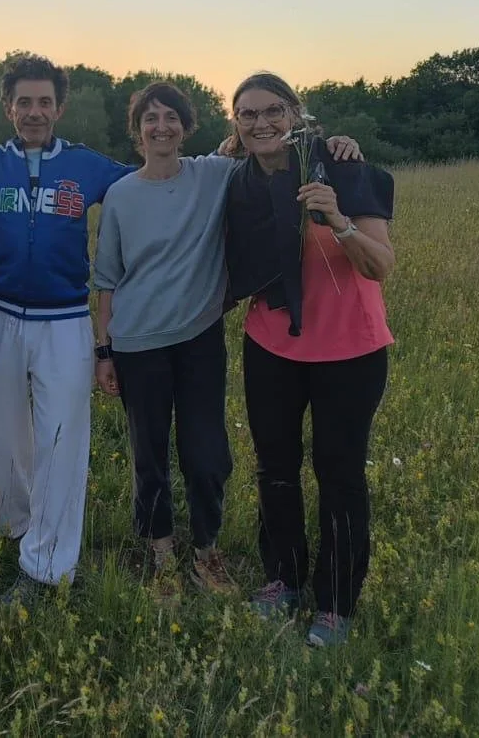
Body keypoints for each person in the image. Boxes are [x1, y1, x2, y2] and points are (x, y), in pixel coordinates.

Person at [93, 83, 365, 605]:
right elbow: (106, 280)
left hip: (198, 339)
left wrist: (338, 143)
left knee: (207, 453)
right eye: (150, 119)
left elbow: (273, 143)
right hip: (137, 345)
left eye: (171, 118)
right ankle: (162, 555)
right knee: (149, 454)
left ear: (186, 127)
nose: (161, 127)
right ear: (137, 130)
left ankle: (206, 553)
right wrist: (104, 351)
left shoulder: (212, 173)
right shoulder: (123, 195)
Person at [223, 71, 396, 648]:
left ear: (296, 114)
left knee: (340, 475)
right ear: (236, 124)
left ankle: (337, 603)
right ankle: (284, 578)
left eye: (272, 111)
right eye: (247, 115)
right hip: (272, 343)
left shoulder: (343, 168)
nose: (261, 123)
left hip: (350, 350)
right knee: (274, 468)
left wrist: (338, 221)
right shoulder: (237, 180)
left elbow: (380, 265)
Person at [0, 54, 132, 597]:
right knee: (5, 436)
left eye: (44, 102)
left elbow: (153, 179)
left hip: (63, 321)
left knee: (60, 441)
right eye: (23, 102)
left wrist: (222, 157)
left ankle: (47, 567)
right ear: (8, 107)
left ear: (59, 107)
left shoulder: (87, 166)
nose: (34, 112)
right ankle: (20, 527)